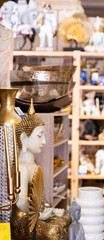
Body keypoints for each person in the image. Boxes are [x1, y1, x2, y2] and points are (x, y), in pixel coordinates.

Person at [11, 100, 71, 239]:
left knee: (66, 217)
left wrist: (48, 210)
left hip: (37, 215)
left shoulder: (34, 163)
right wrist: (40, 214)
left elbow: (39, 199)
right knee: (53, 232)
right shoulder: (22, 166)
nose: (44, 141)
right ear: (24, 138)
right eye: (39, 135)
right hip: (23, 222)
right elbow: (21, 202)